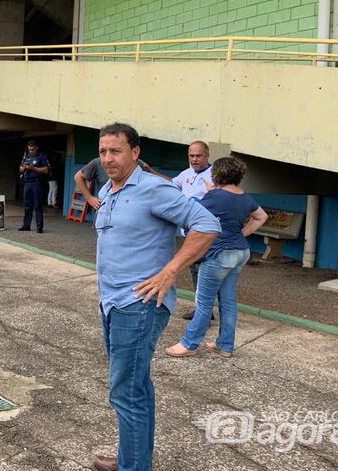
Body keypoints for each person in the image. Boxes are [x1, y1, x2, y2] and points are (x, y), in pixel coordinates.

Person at [92, 122, 220, 471]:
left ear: (135, 152)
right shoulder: (109, 190)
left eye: (116, 150)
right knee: (136, 387)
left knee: (125, 392)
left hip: (139, 305)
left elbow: (207, 225)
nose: (108, 158)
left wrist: (169, 271)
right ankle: (133, 459)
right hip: (113, 302)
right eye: (103, 151)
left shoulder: (154, 189)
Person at [166, 157, 268, 359]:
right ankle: (225, 346)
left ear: (216, 174)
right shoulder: (245, 197)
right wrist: (242, 234)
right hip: (240, 252)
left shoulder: (214, 197)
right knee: (228, 301)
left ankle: (189, 344)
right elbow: (261, 216)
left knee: (204, 303)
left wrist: (210, 193)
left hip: (218, 254)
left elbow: (191, 219)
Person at [145, 141, 214, 320]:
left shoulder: (214, 175)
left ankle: (203, 313)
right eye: (191, 156)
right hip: (188, 232)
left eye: (198, 156)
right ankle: (204, 310)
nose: (194, 159)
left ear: (207, 156)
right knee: (195, 271)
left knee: (205, 272)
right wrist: (151, 172)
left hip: (205, 233)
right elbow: (172, 183)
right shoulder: (187, 173)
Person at [18, 140, 50, 233]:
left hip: (36, 183)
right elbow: (20, 168)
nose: (31, 151)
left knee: (38, 205)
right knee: (27, 205)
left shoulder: (42, 156)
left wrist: (33, 168)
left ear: (36, 148)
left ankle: (39, 227)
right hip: (27, 183)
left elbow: (46, 170)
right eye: (29, 149)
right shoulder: (26, 156)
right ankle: (26, 225)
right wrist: (24, 168)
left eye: (32, 149)